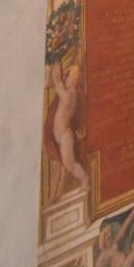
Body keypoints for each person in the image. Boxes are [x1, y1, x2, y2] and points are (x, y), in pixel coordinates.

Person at [44, 60, 89, 199]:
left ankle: (85, 179)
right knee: (61, 163)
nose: (67, 78)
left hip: (65, 136)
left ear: (74, 80)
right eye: (68, 76)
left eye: (69, 77)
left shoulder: (70, 95)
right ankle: (54, 195)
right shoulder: (69, 93)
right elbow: (58, 81)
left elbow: (57, 82)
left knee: (69, 165)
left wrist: (56, 62)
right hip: (58, 135)